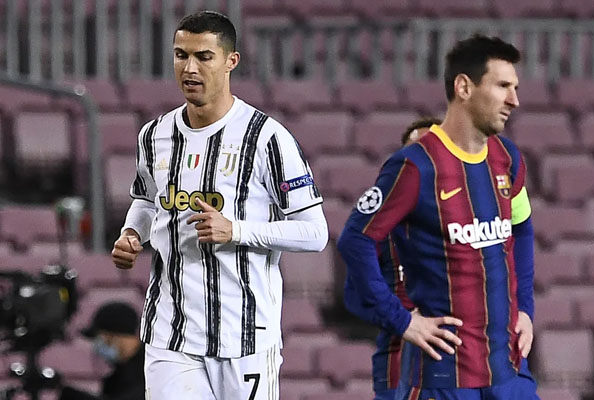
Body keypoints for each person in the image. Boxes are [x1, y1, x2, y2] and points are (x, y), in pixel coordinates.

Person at [110, 11, 328, 400]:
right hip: (170, 333)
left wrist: (237, 230)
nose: (189, 68)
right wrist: (132, 233)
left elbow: (314, 232)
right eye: (180, 55)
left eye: (203, 57)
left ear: (231, 61)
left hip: (244, 336)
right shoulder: (154, 136)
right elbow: (145, 199)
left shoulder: (267, 138)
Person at [338, 34, 539, 399]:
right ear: (463, 86)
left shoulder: (508, 158)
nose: (515, 100)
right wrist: (403, 321)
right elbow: (356, 239)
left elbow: (522, 229)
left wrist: (525, 307)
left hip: (508, 369)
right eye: (503, 86)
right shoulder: (415, 166)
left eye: (515, 87)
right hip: (444, 375)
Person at [344, 117, 441, 400]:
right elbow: (354, 295)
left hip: (460, 362)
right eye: (415, 151)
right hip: (399, 360)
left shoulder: (469, 222)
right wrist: (401, 320)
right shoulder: (380, 228)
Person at [59, 302, 145, 400]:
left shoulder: (150, 367)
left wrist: (69, 394)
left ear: (113, 337)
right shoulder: (118, 374)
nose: (96, 344)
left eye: (99, 338)